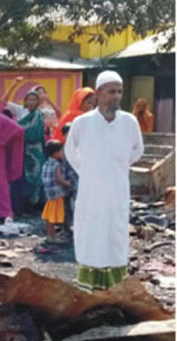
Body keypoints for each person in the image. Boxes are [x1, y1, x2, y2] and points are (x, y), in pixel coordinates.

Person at [65, 70, 144, 290]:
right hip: (90, 189)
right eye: (111, 91)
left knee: (115, 232)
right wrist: (88, 171)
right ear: (98, 93)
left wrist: (117, 166)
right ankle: (89, 286)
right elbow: (71, 151)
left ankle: (115, 287)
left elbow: (138, 149)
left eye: (119, 92)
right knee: (90, 231)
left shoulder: (129, 122)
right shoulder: (82, 123)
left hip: (118, 188)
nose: (116, 96)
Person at [12, 90, 47, 213]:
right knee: (23, 177)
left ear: (38, 101)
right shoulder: (21, 112)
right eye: (29, 99)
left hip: (37, 150)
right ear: (25, 101)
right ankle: (24, 205)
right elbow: (3, 102)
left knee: (37, 175)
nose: (31, 102)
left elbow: (42, 134)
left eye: (34, 99)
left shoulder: (41, 114)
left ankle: (36, 203)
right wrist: (14, 85)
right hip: (23, 149)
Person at [41, 140, 71, 243]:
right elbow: (58, 179)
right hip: (57, 194)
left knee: (49, 217)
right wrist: (67, 183)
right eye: (61, 151)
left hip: (49, 194)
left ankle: (50, 235)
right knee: (53, 217)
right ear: (55, 153)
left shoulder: (46, 163)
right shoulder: (56, 165)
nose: (62, 153)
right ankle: (53, 237)